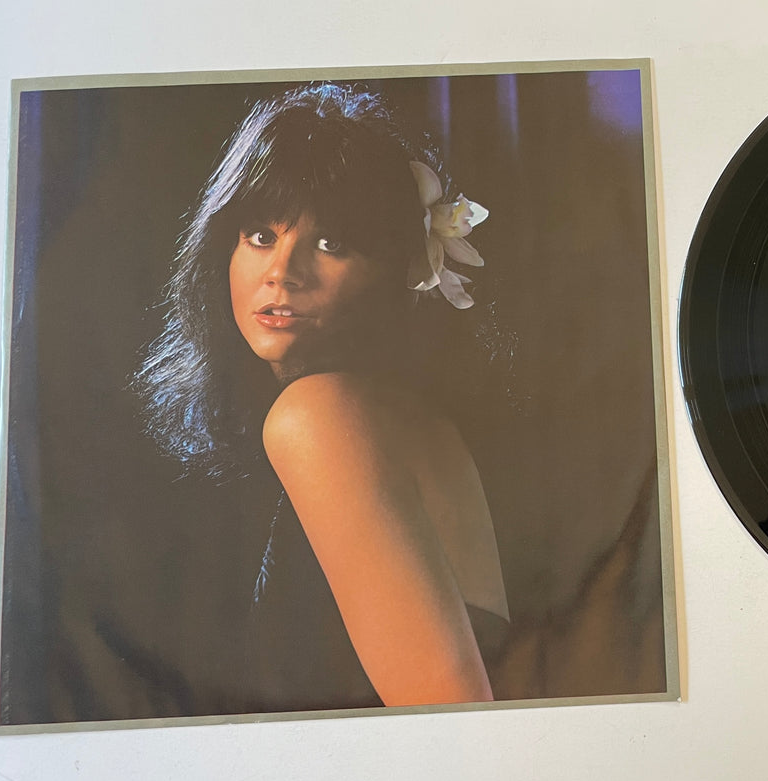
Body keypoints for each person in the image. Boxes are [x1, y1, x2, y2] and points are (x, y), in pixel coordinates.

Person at [134, 83, 507, 709]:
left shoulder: (319, 415)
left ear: (399, 268)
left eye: (331, 244)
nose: (283, 272)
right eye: (260, 235)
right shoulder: (391, 414)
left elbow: (455, 721)